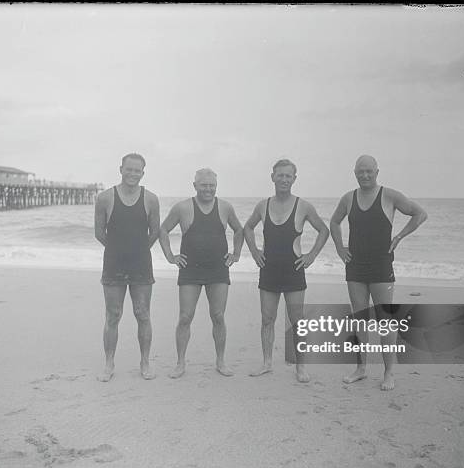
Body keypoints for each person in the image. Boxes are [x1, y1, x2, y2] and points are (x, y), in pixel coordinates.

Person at [329, 154, 427, 390]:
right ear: (354, 172)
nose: (364, 175)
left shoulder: (390, 196)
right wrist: (340, 248)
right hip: (355, 267)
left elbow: (420, 214)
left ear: (376, 171)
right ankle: (361, 369)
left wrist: (400, 237)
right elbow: (334, 222)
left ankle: (389, 373)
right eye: (360, 171)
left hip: (382, 266)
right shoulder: (348, 198)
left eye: (369, 171)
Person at [244, 159, 329, 383]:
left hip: (293, 270)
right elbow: (247, 227)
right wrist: (254, 251)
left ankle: (301, 367)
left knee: (297, 320)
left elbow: (323, 230)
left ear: (294, 179)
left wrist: (311, 256)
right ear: (272, 177)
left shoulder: (304, 206)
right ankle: (267, 363)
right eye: (280, 175)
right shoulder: (263, 205)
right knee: (267, 318)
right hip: (269, 269)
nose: (283, 179)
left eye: (288, 176)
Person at [159, 168, 244, 378]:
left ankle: (221, 362)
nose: (208, 189)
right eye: (204, 185)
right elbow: (163, 230)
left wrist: (236, 254)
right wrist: (170, 256)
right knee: (185, 317)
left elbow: (239, 230)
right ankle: (180, 363)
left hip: (218, 269)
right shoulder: (182, 207)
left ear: (216, 186)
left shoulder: (225, 207)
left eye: (212, 185)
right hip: (190, 270)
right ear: (195, 185)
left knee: (218, 316)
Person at [94, 153, 160, 382]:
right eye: (129, 169)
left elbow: (155, 233)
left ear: (143, 172)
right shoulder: (105, 198)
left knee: (143, 314)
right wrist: (118, 249)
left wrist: (138, 249)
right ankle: (109, 363)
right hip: (113, 264)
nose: (133, 174)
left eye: (137, 170)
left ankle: (144, 362)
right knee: (113, 315)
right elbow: (99, 233)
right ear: (120, 169)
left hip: (141, 264)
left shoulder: (151, 199)